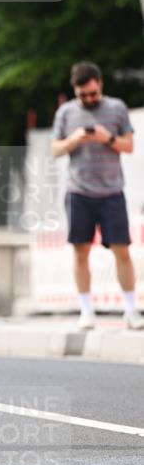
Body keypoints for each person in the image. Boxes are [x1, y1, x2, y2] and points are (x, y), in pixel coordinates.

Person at [51, 60, 143, 331]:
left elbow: (129, 146)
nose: (89, 99)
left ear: (100, 85)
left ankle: (130, 310)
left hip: (112, 191)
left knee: (122, 250)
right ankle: (86, 310)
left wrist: (108, 139)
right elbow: (55, 149)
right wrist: (75, 139)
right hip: (79, 191)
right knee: (81, 251)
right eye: (83, 95)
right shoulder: (66, 113)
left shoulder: (116, 108)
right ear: (75, 91)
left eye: (93, 93)